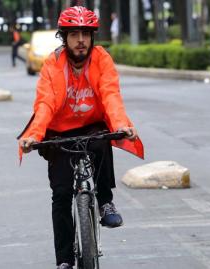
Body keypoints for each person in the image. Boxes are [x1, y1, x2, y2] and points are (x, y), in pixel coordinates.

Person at [17, 6, 144, 269]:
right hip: (58, 132)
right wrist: (34, 135)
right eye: (74, 34)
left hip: (91, 126)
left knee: (101, 142)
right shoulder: (53, 63)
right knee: (61, 194)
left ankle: (106, 202)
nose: (81, 40)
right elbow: (45, 103)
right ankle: (64, 260)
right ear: (64, 38)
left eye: (86, 34)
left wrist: (121, 124)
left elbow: (111, 95)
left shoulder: (101, 59)